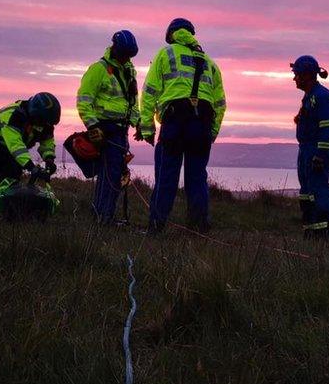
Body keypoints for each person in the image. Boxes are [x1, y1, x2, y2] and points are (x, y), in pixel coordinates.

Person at [139, 18, 226, 234]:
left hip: (175, 121)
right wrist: (212, 132)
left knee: (166, 176)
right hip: (202, 123)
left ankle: (156, 228)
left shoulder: (165, 54)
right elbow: (221, 104)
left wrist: (148, 128)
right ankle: (198, 229)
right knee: (197, 178)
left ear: (171, 34)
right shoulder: (210, 63)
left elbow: (149, 93)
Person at [76, 30, 140, 224]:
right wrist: (93, 125)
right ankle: (104, 217)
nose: (126, 58)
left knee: (114, 173)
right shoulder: (98, 69)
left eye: (129, 55)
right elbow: (84, 100)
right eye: (124, 54)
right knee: (111, 173)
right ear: (114, 48)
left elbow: (132, 102)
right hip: (104, 129)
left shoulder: (129, 72)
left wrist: (137, 123)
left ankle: (102, 215)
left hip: (121, 131)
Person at [0, 92, 60, 207]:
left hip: (9, 141)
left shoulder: (44, 122)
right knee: (8, 170)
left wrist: (49, 159)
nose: (45, 125)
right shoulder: (14, 116)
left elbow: (47, 142)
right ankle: (4, 205)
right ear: (35, 114)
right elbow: (16, 147)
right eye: (42, 121)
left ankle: (15, 200)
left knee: (16, 171)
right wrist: (31, 167)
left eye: (47, 123)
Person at [291, 55, 329, 239]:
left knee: (318, 190)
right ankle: (311, 230)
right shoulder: (309, 97)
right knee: (306, 193)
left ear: (307, 75)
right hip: (305, 150)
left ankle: (325, 232)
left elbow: (326, 127)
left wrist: (320, 154)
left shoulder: (322, 97)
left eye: (297, 75)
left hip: (315, 151)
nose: (294, 79)